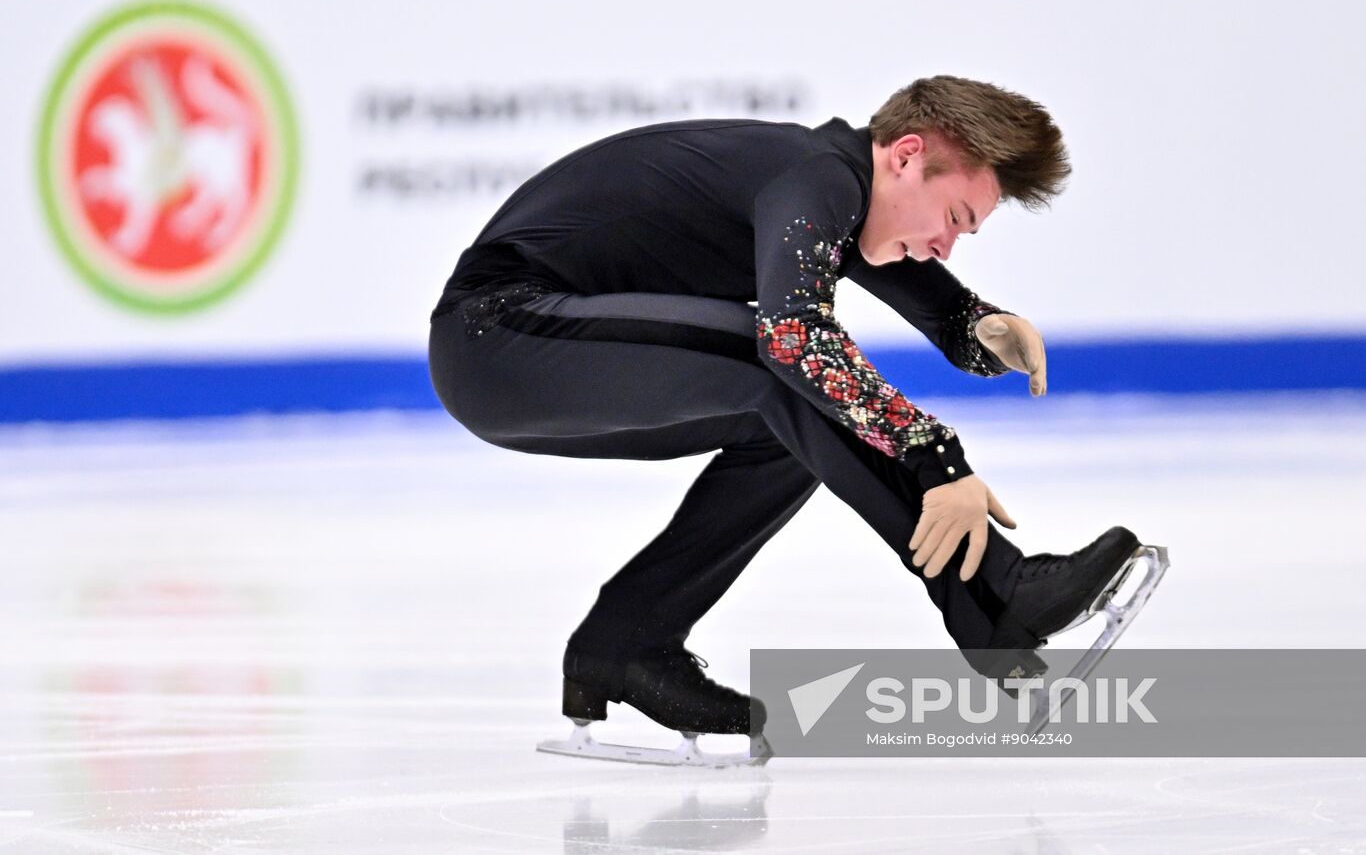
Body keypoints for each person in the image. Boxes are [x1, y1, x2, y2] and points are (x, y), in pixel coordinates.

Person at [428, 75, 1147, 745]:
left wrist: (978, 324)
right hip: (497, 337)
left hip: (524, 355)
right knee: (778, 362)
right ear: (905, 156)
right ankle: (1000, 594)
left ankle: (626, 642)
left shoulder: (835, 185)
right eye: (955, 218)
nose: (946, 244)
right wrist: (937, 459)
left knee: (793, 425)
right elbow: (795, 336)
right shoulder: (813, 178)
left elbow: (930, 301)